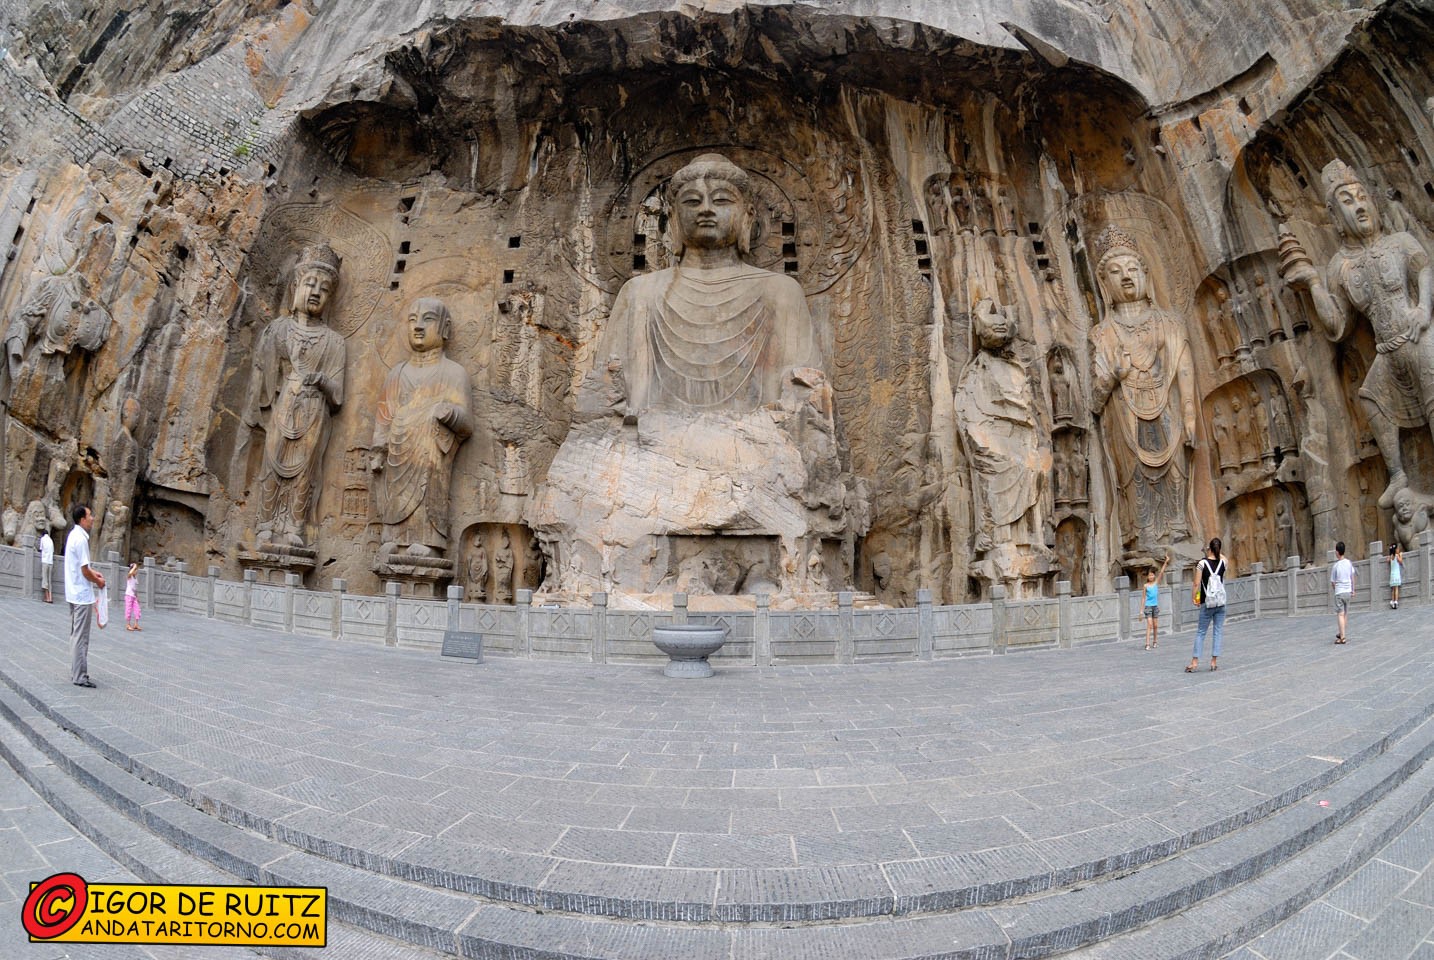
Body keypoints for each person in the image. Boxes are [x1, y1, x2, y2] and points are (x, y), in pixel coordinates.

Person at [63, 503, 105, 688]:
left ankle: (76, 672)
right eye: (90, 515)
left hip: (73, 593)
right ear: (82, 519)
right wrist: (98, 581)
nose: (93, 518)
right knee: (81, 637)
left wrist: (93, 573)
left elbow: (84, 567)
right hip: (81, 596)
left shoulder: (73, 535)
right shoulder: (80, 539)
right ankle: (80, 676)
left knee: (75, 635)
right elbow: (84, 570)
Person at [1187, 538, 1229, 673]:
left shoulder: (1202, 563)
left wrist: (1194, 597)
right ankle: (1213, 662)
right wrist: (1217, 552)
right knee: (1218, 631)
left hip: (1207, 603)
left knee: (1201, 632)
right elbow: (1224, 557)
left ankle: (1194, 662)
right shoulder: (1223, 562)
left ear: (1209, 548)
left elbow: (1196, 583)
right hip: (1221, 603)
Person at [1143, 554, 1170, 651]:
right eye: (1149, 575)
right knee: (1149, 625)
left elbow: (1162, 572)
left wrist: (1166, 562)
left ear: (1154, 576)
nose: (1151, 576)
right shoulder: (1145, 586)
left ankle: (1155, 641)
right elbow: (1143, 598)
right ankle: (1147, 643)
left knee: (1155, 625)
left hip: (1155, 607)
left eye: (1152, 574)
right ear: (1147, 576)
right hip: (1148, 607)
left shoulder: (1156, 583)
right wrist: (1140, 611)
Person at [1331, 541, 1356, 643]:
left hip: (1339, 592)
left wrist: (1336, 589)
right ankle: (1342, 633)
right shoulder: (1349, 563)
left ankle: (1342, 637)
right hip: (1348, 592)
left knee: (1340, 614)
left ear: (1337, 552)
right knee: (1345, 614)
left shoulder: (1336, 566)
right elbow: (1352, 577)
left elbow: (1333, 582)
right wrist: (1353, 590)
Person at [124, 561, 142, 631]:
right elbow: (130, 573)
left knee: (138, 610)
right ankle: (128, 624)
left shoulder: (135, 579)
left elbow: (135, 589)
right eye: (135, 570)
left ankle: (136, 624)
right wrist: (134, 567)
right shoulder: (130, 577)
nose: (136, 571)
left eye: (136, 570)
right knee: (128, 610)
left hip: (134, 597)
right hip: (128, 595)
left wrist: (137, 597)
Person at [38, 525, 54, 603]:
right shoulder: (51, 540)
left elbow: (40, 549)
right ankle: (50, 597)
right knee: (49, 580)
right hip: (51, 562)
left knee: (45, 579)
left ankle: (47, 597)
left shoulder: (43, 539)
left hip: (45, 561)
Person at [1388, 542, 1403, 610]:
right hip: (1396, 574)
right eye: (1398, 549)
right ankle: (1396, 601)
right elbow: (1400, 562)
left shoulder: (1391, 557)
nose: (1398, 550)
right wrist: (1401, 555)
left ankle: (1392, 601)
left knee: (1393, 589)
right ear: (1396, 550)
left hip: (1392, 574)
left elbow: (1387, 560)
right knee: (1396, 589)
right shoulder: (1397, 556)